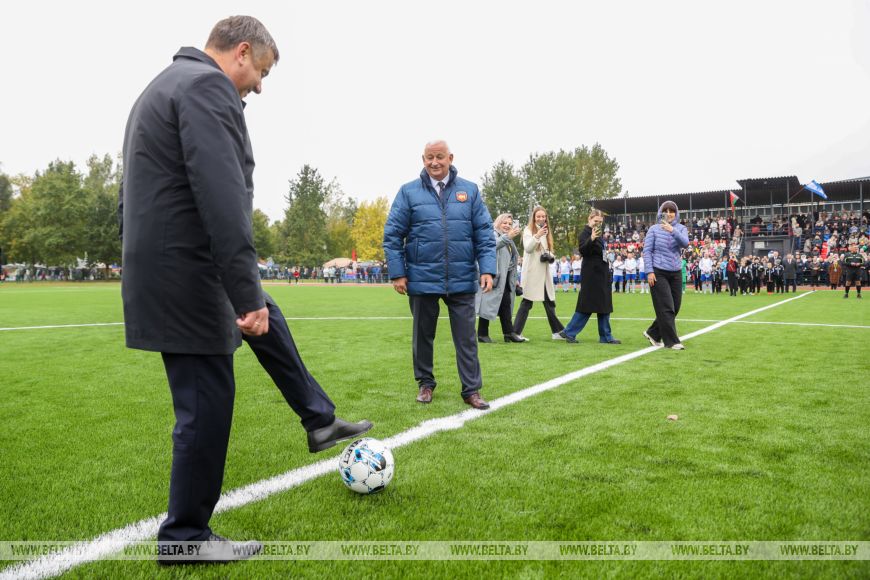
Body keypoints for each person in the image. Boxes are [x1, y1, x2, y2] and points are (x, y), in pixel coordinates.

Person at [119, 17, 370, 564]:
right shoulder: (207, 86)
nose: (259, 85)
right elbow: (222, 194)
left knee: (267, 314)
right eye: (261, 72)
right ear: (240, 52)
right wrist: (242, 289)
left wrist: (248, 291)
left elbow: (135, 196)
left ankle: (318, 418)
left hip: (172, 268)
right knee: (207, 405)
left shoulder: (162, 85)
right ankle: (184, 538)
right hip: (188, 273)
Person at [383, 140, 496, 409]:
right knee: (423, 336)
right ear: (423, 159)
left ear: (450, 158)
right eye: (429, 157)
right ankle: (425, 384)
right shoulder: (408, 192)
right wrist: (398, 273)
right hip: (422, 278)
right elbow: (392, 235)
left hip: (462, 277)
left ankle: (472, 390)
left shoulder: (470, 191)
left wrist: (488, 268)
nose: (435, 162)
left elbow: (484, 234)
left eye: (440, 157)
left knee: (467, 338)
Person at [560, 210, 621, 344]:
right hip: (592, 274)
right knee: (587, 305)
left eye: (600, 222)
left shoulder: (599, 235)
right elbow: (583, 250)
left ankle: (605, 336)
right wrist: (592, 238)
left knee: (603, 305)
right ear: (590, 219)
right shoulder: (585, 233)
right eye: (596, 221)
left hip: (601, 273)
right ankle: (570, 332)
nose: (598, 224)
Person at [512, 206, 566, 341]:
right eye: (538, 216)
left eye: (543, 216)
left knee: (549, 302)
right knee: (527, 302)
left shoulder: (546, 231)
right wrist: (537, 235)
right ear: (534, 217)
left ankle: (557, 331)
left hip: (544, 272)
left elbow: (546, 250)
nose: (541, 218)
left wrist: (551, 256)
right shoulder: (528, 230)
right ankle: (515, 332)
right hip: (532, 272)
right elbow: (528, 248)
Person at [641, 201, 689, 350]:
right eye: (666, 210)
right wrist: (649, 271)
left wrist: (672, 230)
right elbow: (647, 251)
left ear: (676, 213)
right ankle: (672, 342)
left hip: (675, 271)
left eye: (672, 211)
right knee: (666, 306)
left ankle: (653, 333)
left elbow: (685, 244)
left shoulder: (681, 228)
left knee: (675, 307)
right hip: (658, 271)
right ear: (661, 212)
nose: (669, 213)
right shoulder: (654, 229)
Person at [476, 213, 524, 343]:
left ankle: (508, 333)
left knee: (505, 306)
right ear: (498, 223)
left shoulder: (508, 239)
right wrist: (507, 237)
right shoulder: (493, 234)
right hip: (493, 277)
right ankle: (482, 334)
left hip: (506, 279)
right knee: (487, 304)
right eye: (505, 223)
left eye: (510, 223)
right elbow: (490, 246)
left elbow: (512, 260)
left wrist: (516, 279)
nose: (507, 226)